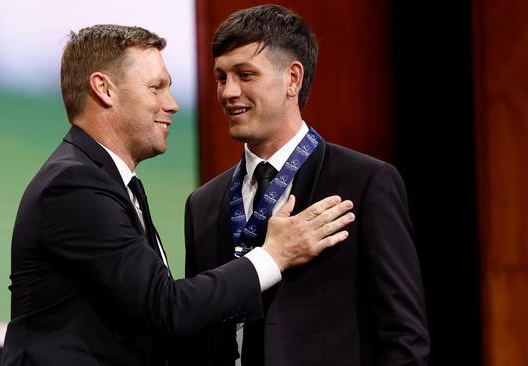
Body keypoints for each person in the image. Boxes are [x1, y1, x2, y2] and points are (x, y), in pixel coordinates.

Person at [0, 24, 355, 366]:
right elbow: (165, 308)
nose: (172, 104)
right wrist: (274, 255)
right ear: (104, 89)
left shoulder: (109, 182)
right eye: (156, 87)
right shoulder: (75, 185)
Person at [177, 5, 430, 366]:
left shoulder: (365, 183)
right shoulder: (202, 204)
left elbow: (403, 337)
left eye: (245, 75)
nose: (228, 92)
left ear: (293, 79)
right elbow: (197, 334)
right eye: (221, 77)